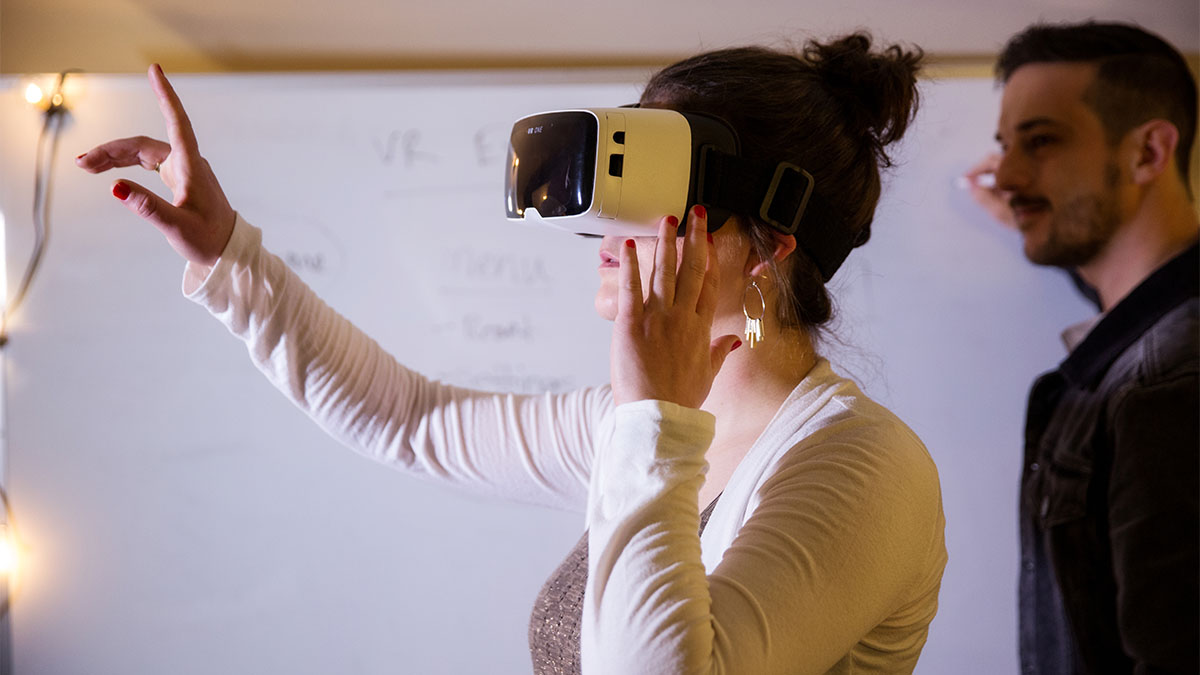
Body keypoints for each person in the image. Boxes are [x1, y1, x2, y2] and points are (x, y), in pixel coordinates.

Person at [78, 34, 946, 674]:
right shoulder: (633, 424)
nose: (605, 224)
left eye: (652, 189)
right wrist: (229, 254)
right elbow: (413, 421)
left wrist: (655, 419)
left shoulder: (864, 466)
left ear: (767, 246)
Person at [963, 21, 1199, 675]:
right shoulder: (1150, 329)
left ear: (1149, 153)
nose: (1007, 174)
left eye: (1040, 142)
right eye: (1004, 146)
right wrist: (1046, 209)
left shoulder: (1168, 389)